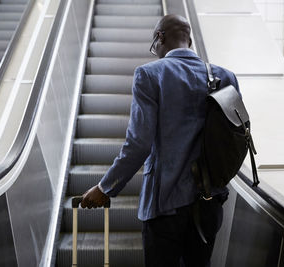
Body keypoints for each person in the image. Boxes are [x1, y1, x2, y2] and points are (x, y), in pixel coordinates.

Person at [80, 14, 240, 267]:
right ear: (188, 40)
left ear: (160, 37)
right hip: (210, 202)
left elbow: (139, 143)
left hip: (165, 204)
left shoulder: (150, 74)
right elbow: (234, 139)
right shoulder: (226, 76)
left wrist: (104, 188)